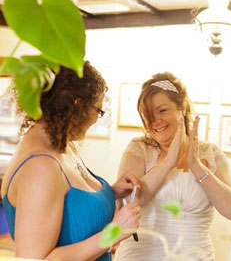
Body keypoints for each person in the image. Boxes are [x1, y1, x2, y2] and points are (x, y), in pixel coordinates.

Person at [0, 61, 141, 261]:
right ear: (77, 105)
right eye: (98, 111)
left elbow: (70, 206)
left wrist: (110, 192)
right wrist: (114, 233)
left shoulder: (62, 145)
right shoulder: (40, 166)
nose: (96, 120)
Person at [114, 72, 231, 260]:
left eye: (162, 110)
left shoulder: (211, 153)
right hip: (140, 255)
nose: (155, 121)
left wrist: (196, 166)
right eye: (148, 115)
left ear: (181, 108)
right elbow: (126, 205)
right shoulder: (139, 148)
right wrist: (168, 162)